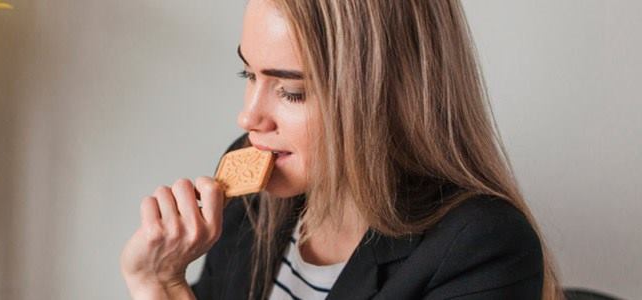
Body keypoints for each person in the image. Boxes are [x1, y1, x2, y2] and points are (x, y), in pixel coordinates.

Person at [120, 1, 564, 299]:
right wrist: (156, 279)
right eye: (249, 76)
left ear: (388, 96)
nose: (249, 118)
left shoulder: (483, 250)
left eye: (292, 91)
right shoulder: (251, 188)